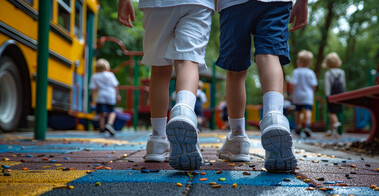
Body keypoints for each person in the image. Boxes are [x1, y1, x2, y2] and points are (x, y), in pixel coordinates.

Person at [117, 0, 214, 169]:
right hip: (199, 3)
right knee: (188, 60)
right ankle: (184, 110)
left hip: (157, 4)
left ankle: (157, 139)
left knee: (160, 67)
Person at [216, 0, 308, 171]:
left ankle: (237, 136)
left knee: (235, 70)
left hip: (233, 4)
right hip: (275, 2)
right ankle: (274, 117)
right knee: (270, 55)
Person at [289, 50, 318, 138]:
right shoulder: (311, 72)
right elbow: (314, 85)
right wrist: (313, 93)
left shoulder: (296, 71)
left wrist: (291, 94)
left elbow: (293, 84)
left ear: (299, 62)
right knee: (308, 111)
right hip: (308, 95)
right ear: (310, 63)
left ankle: (298, 128)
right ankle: (307, 126)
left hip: (298, 95)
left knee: (298, 112)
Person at [90, 58, 121, 136]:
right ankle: (109, 124)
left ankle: (102, 128)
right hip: (110, 95)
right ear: (106, 67)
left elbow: (93, 89)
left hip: (101, 96)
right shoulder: (110, 75)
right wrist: (118, 95)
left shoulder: (95, 76)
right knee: (112, 112)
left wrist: (92, 100)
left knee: (101, 113)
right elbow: (116, 86)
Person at [322, 52, 346, 138]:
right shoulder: (341, 72)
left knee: (331, 112)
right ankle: (332, 131)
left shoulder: (328, 73)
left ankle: (335, 123)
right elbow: (343, 84)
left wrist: (327, 95)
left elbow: (327, 85)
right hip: (340, 94)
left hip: (331, 95)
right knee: (338, 111)